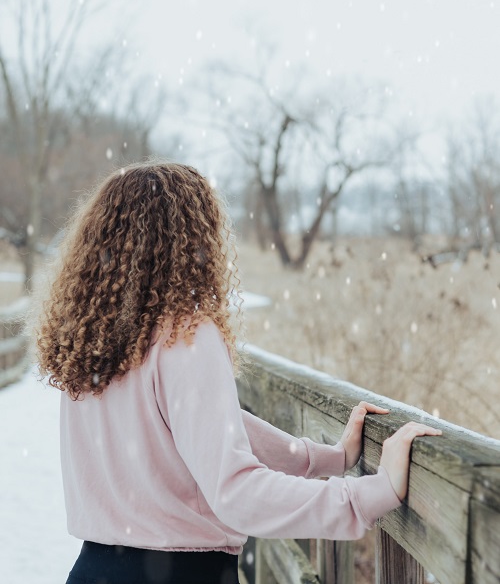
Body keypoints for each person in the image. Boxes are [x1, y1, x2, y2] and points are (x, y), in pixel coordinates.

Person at [35, 161, 441, 584]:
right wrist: (368, 495)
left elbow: (204, 428)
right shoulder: (185, 335)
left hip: (93, 570)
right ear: (195, 236)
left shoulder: (94, 344)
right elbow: (236, 491)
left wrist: (327, 458)